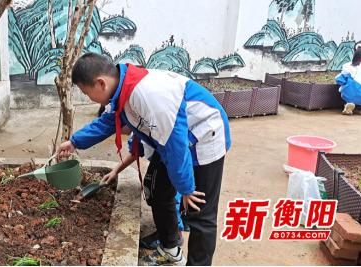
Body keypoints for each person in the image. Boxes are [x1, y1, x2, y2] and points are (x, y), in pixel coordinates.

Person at [56, 53, 231, 266]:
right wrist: (74, 142)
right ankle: (170, 248)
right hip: (171, 141)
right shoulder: (122, 90)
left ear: (100, 83)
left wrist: (185, 188)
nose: (89, 97)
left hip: (204, 135)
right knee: (158, 190)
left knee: (199, 212)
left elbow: (176, 146)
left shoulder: (149, 95)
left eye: (86, 92)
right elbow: (107, 122)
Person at [96, 106, 186, 249]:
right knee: (167, 190)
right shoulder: (139, 125)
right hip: (173, 158)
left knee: (166, 194)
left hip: (176, 159)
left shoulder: (148, 123)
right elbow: (135, 152)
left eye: (115, 128)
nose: (117, 132)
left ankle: (175, 234)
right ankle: (182, 221)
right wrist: (115, 171)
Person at [336, 40, 361, 115]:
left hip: (350, 94)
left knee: (348, 88)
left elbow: (339, 79)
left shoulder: (347, 66)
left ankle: (349, 104)